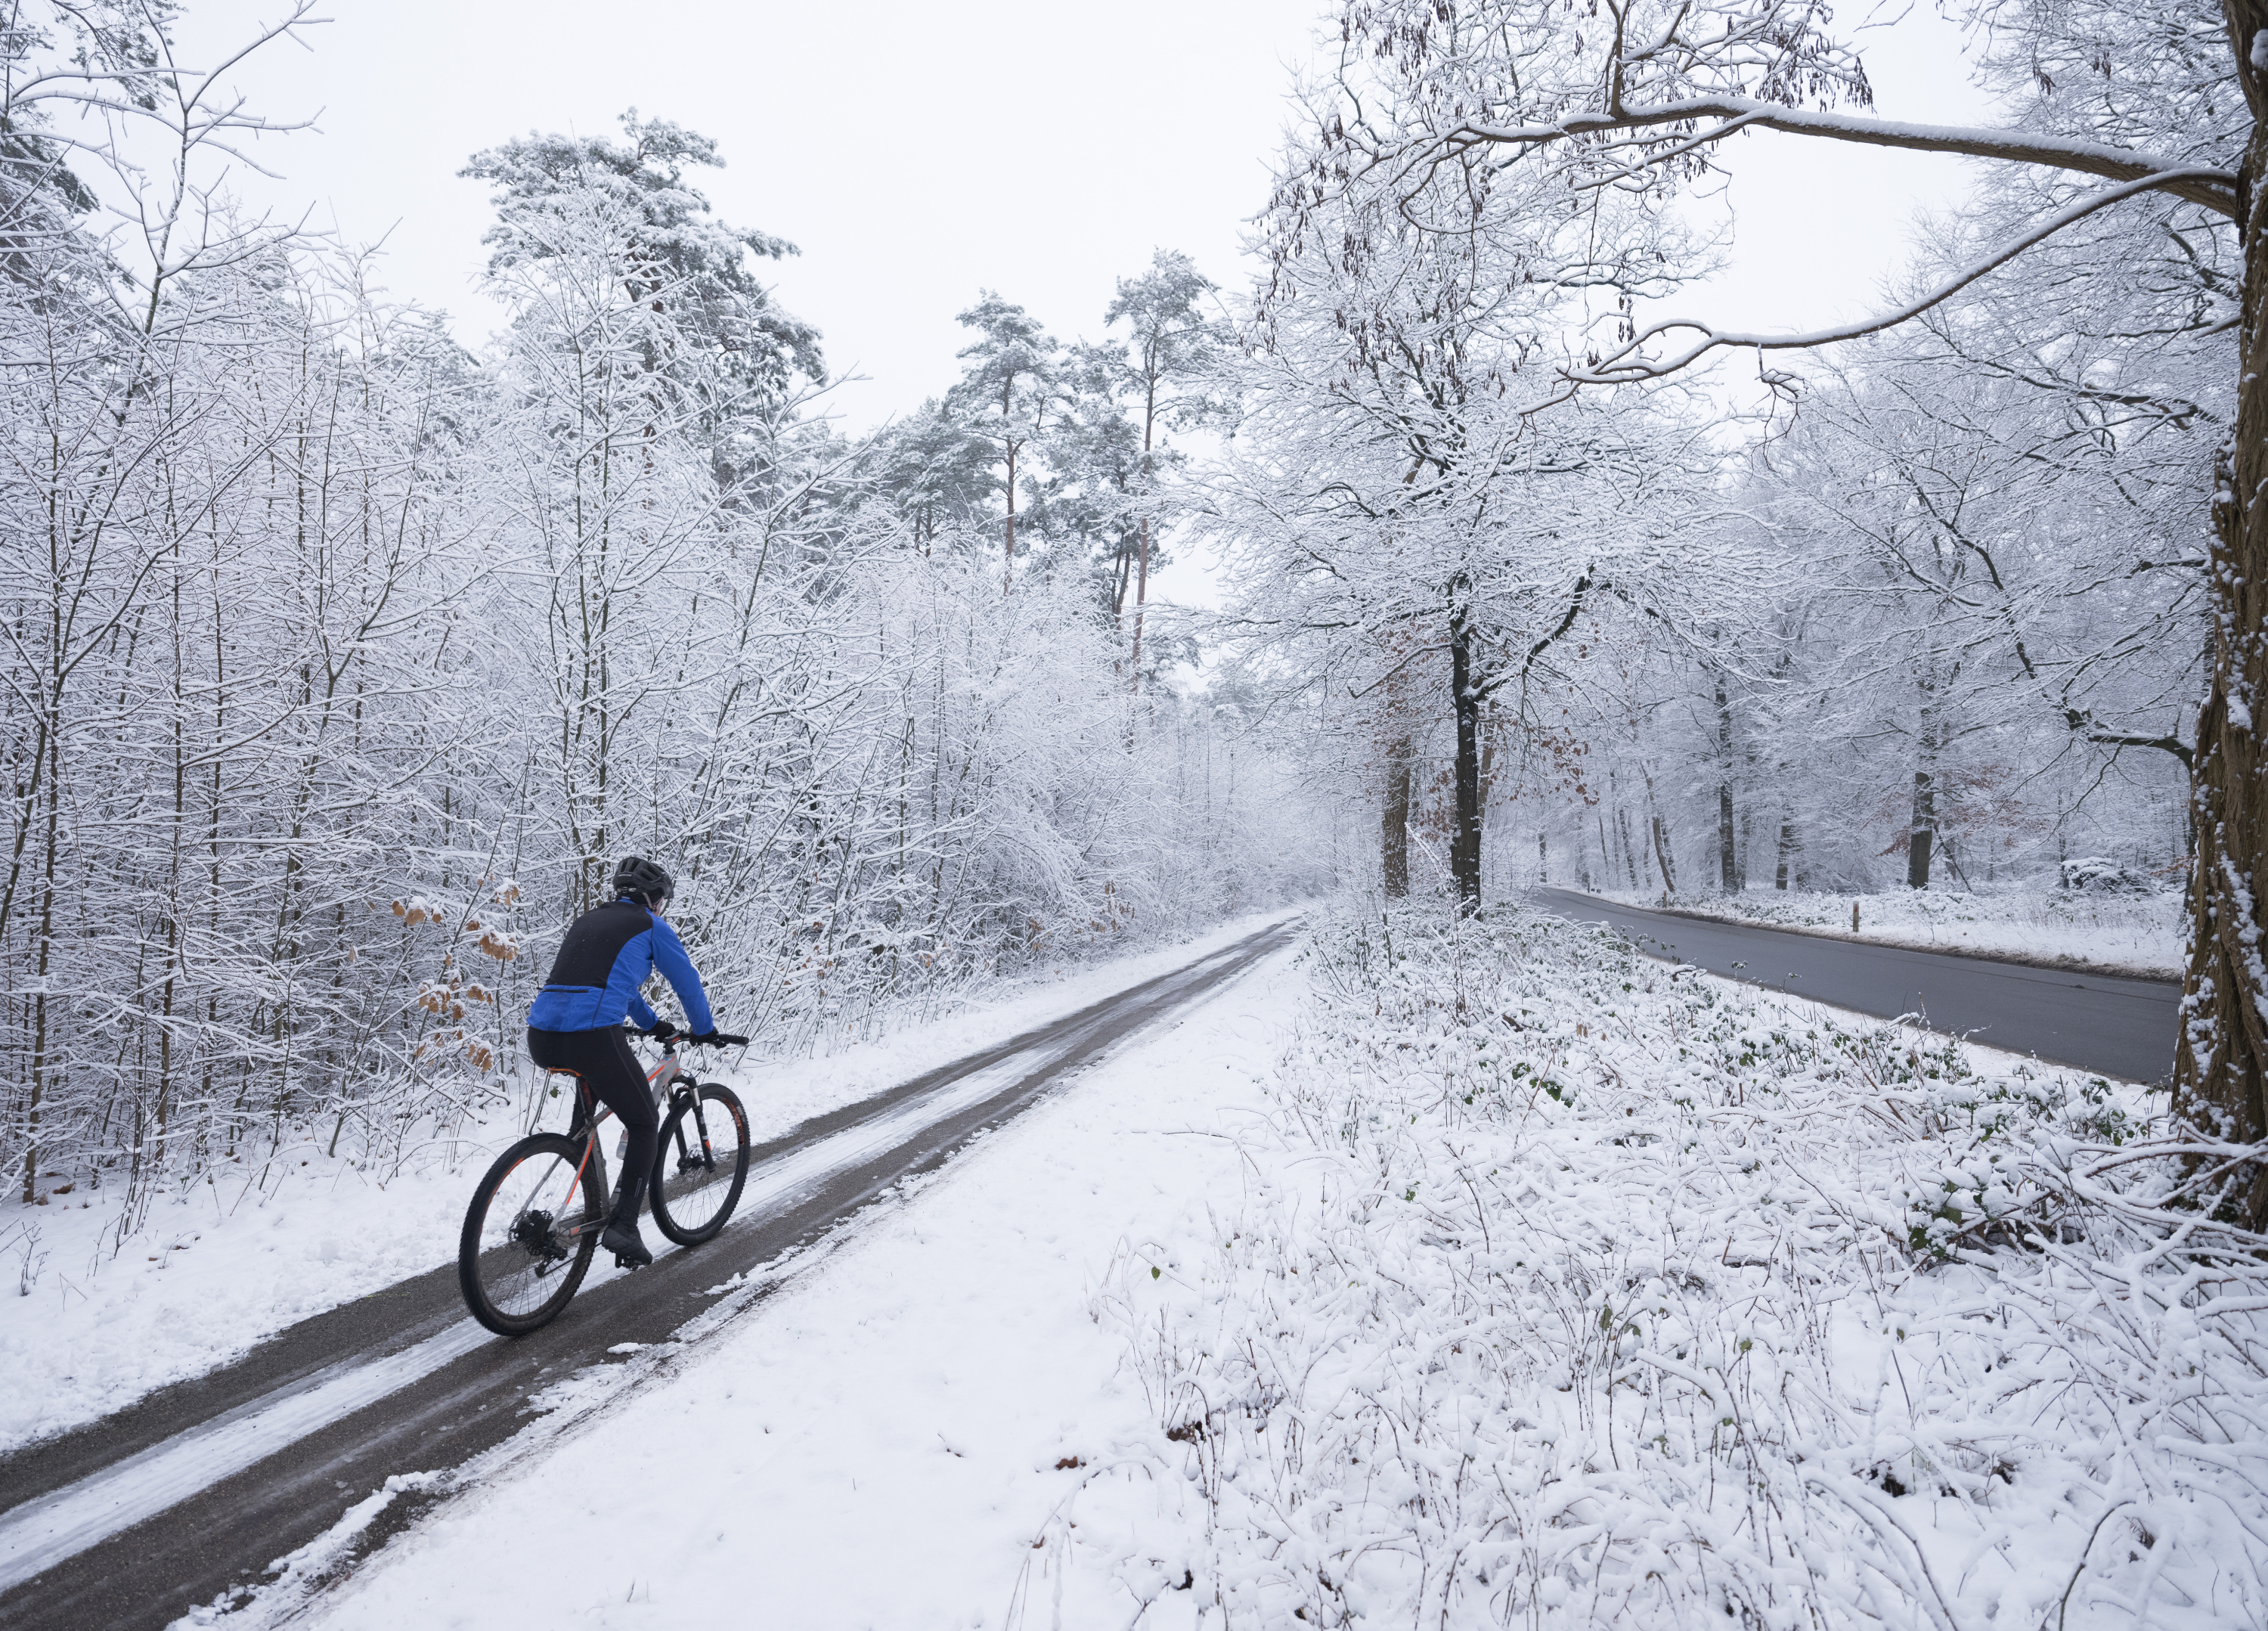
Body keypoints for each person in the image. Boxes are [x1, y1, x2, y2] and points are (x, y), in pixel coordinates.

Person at [525, 857, 733, 1267]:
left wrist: (653, 1024)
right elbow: (686, 980)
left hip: (543, 1035)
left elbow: (615, 986)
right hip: (591, 1035)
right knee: (642, 1123)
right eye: (663, 901)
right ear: (654, 899)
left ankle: (581, 1203)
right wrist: (704, 1029)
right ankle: (623, 1226)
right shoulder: (651, 926)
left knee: (586, 1123)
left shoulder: (587, 921)